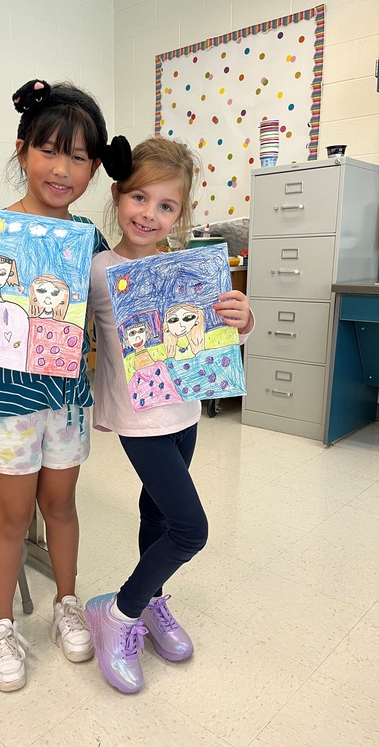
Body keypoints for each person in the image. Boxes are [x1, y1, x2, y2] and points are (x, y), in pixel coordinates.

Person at [0, 78, 131, 692]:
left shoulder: (89, 242)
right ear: (22, 152)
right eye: (50, 150)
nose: (62, 168)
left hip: (66, 404)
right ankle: (0, 627)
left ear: (95, 168)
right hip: (7, 404)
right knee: (12, 519)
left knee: (63, 508)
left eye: (78, 157)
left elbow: (115, 310)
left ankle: (66, 604)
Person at [85, 136, 254, 694]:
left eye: (166, 206)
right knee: (190, 529)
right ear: (117, 196)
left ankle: (153, 599)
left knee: (156, 516)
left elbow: (215, 335)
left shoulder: (190, 270)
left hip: (184, 413)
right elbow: (62, 331)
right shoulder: (98, 269)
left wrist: (240, 318)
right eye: (138, 198)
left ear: (181, 214)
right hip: (139, 422)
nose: (148, 214)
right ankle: (119, 614)